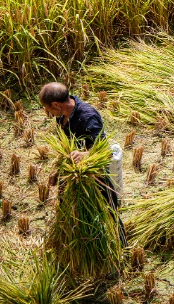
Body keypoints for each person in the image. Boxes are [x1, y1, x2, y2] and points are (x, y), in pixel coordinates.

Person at [39, 82, 127, 246]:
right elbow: (67, 148)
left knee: (109, 212)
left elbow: (105, 151)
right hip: (73, 175)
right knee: (69, 210)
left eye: (48, 108)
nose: (48, 112)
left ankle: (121, 249)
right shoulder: (61, 118)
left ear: (56, 105)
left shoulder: (87, 116)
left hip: (96, 174)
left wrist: (85, 155)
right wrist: (57, 171)